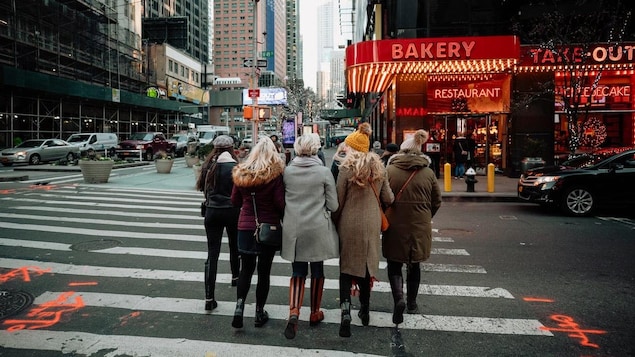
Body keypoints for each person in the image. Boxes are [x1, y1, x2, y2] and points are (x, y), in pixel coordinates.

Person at [332, 122, 394, 338]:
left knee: (346, 268)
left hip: (349, 223)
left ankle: (346, 311)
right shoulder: (379, 169)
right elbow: (389, 198)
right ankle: (365, 310)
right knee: (367, 267)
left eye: (348, 146)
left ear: (353, 148)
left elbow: (338, 201)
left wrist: (335, 222)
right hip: (371, 223)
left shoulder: (345, 169)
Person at [281, 133, 339, 339]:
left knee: (297, 271)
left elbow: (281, 202)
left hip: (293, 228)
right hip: (317, 228)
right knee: (317, 269)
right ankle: (314, 312)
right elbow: (333, 205)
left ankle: (294, 311)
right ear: (316, 149)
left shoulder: (287, 172)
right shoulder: (324, 172)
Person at [384, 129, 442, 325]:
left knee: (394, 263)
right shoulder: (428, 172)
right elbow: (437, 201)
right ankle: (412, 303)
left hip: (394, 224)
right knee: (414, 264)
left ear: (401, 152)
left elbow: (383, 198)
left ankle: (398, 298)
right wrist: (426, 216)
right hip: (420, 225)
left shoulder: (390, 171)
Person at [230, 136, 286, 329]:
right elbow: (280, 203)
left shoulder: (241, 173)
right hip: (267, 228)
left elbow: (235, 201)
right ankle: (259, 312)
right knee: (264, 272)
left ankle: (239, 307)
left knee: (245, 269)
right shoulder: (275, 175)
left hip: (244, 228)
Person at [195, 135, 240, 311]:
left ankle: (209, 297)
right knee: (235, 247)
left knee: (212, 254)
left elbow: (203, 190)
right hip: (231, 211)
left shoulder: (208, 166)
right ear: (231, 149)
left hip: (212, 212)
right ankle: (235, 277)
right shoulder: (235, 166)